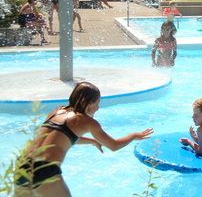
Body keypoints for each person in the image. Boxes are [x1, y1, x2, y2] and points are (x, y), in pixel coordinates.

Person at [14, 82, 153, 196]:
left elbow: (62, 137)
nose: (98, 108)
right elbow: (114, 146)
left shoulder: (57, 111)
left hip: (23, 163)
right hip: (44, 169)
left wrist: (92, 141)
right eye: (97, 103)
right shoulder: (87, 122)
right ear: (87, 102)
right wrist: (133, 136)